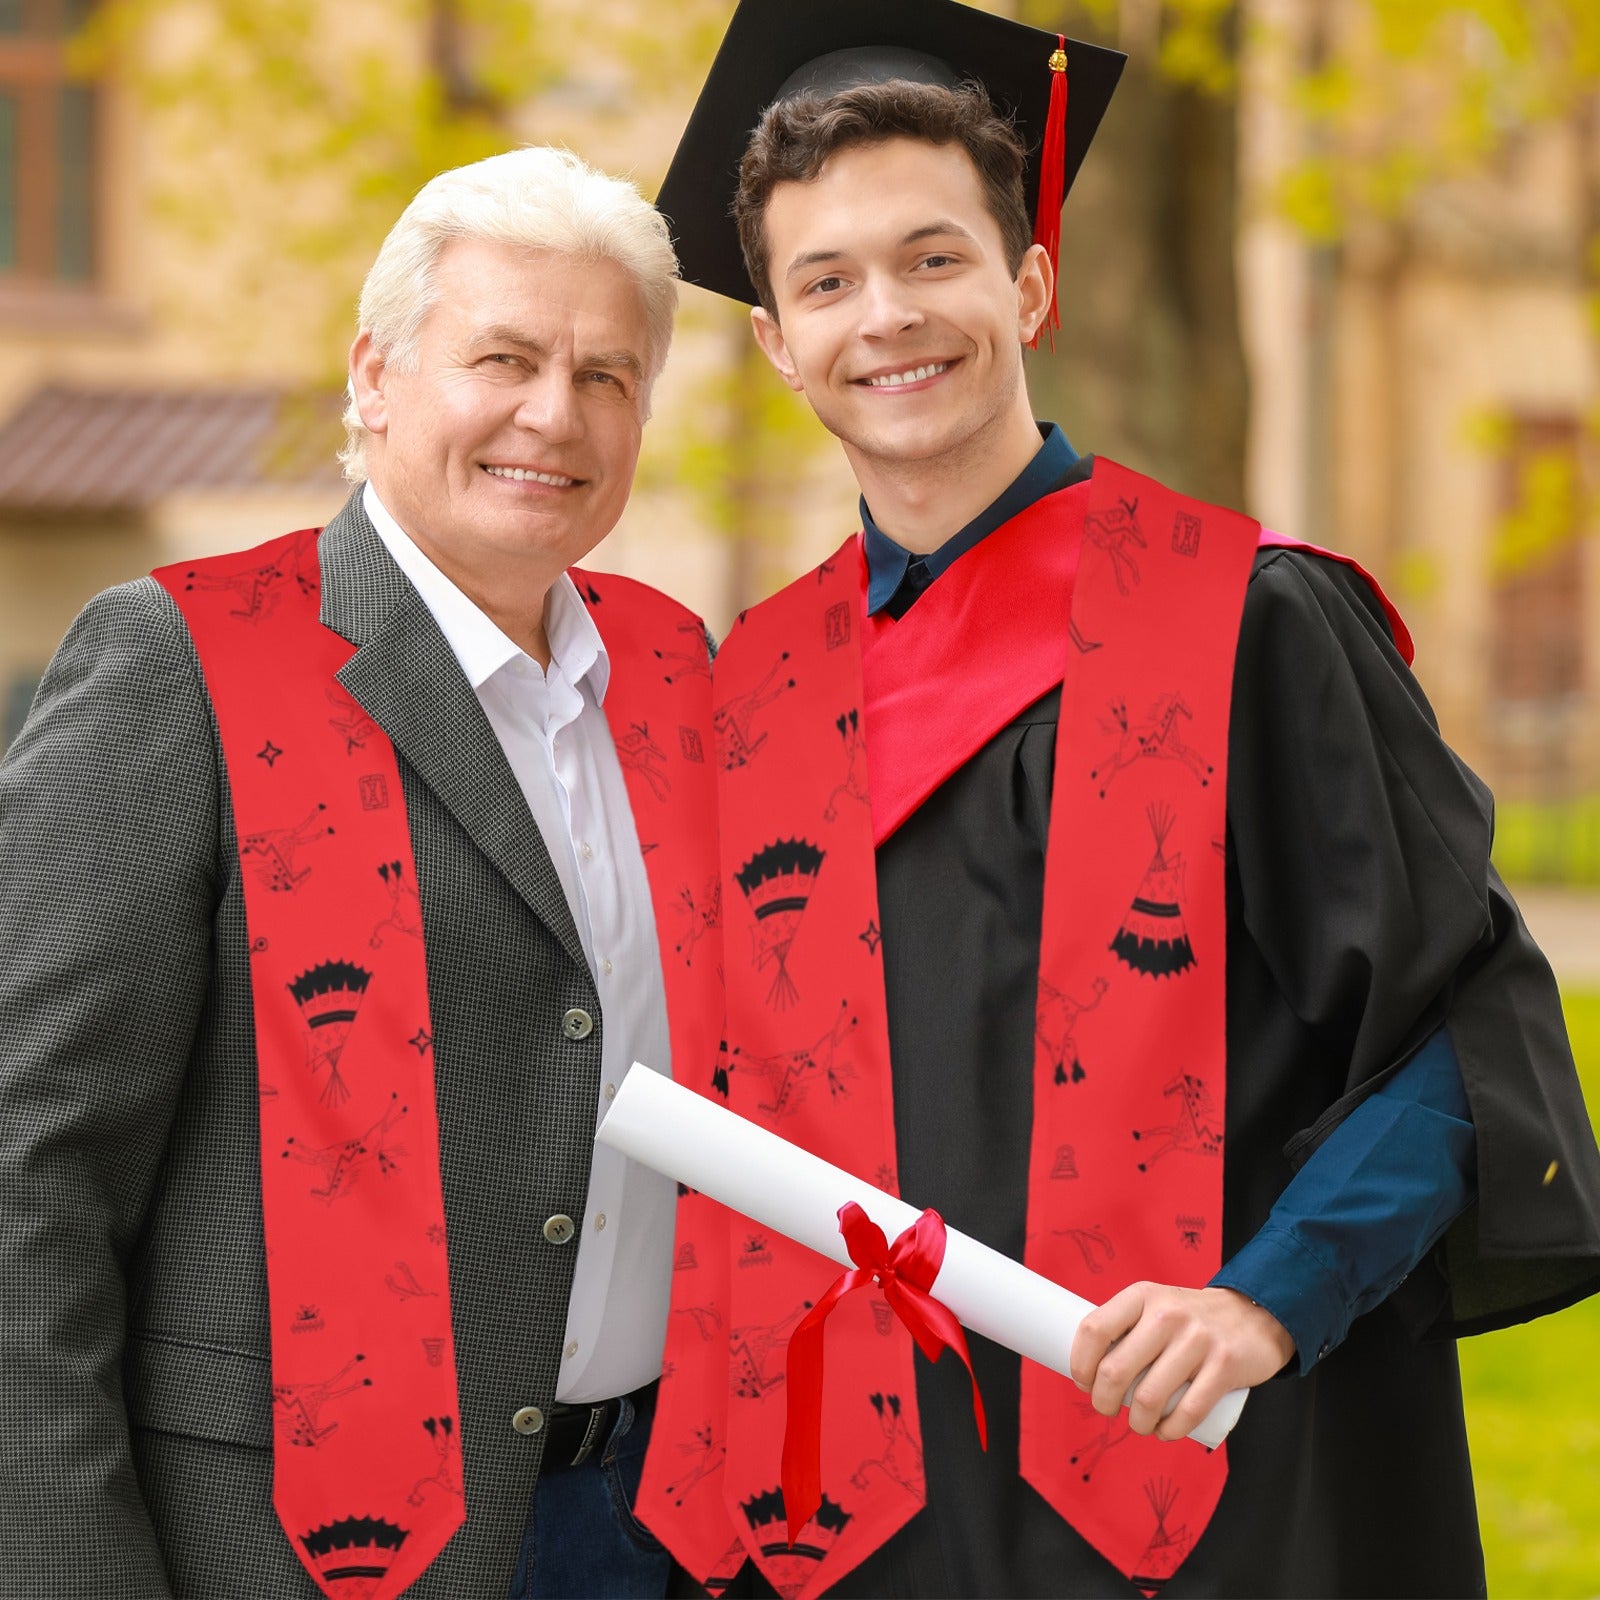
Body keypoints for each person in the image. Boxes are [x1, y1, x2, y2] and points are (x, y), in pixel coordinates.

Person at [636, 3, 1600, 1596]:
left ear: (1028, 282)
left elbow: (1462, 1032)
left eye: (934, 258)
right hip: (862, 1519)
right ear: (777, 341)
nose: (887, 316)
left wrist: (1270, 1299)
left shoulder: (1250, 623)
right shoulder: (761, 690)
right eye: (826, 281)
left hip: (1201, 1483)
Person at [0, 146, 721, 1600]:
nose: (552, 414)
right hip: (286, 1545)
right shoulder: (182, 662)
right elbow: (28, 1171)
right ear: (375, 377)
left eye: (605, 375)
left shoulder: (676, 670)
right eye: (503, 357)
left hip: (652, 1528)